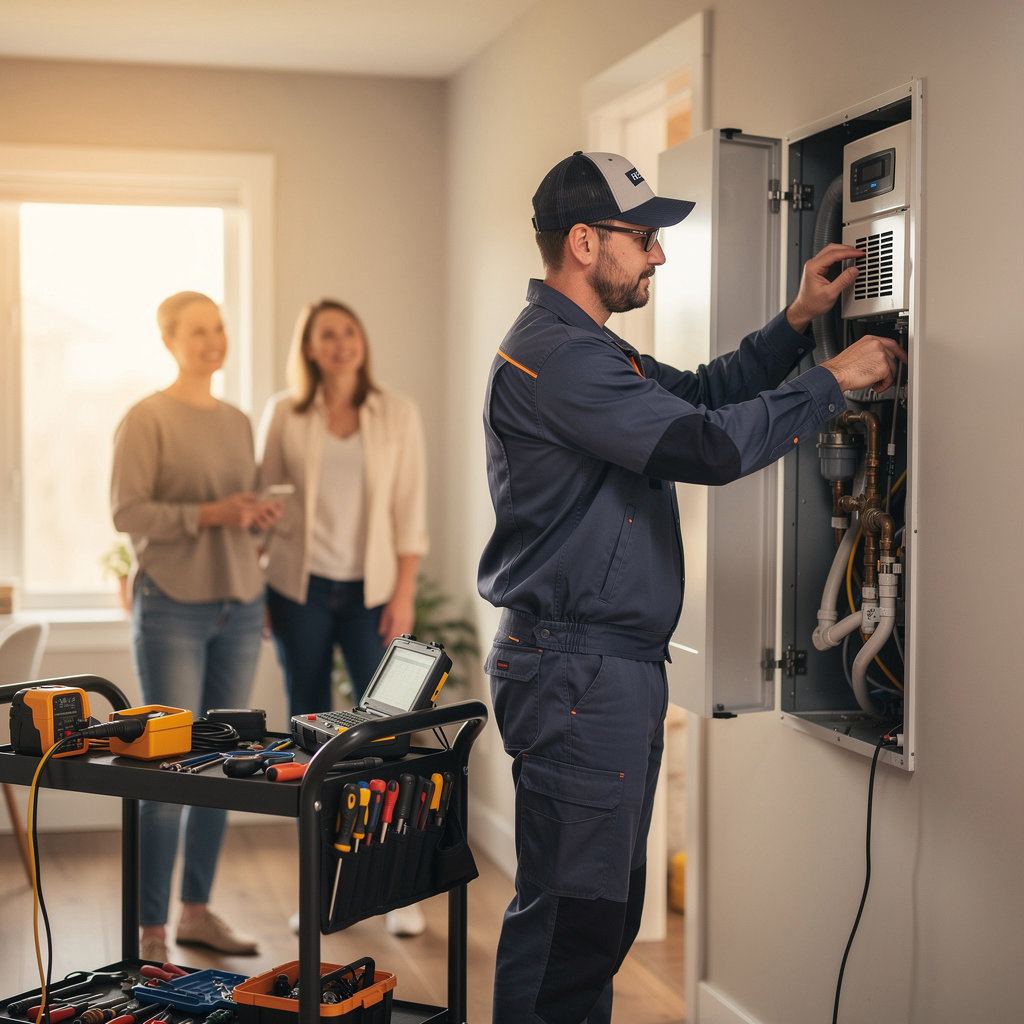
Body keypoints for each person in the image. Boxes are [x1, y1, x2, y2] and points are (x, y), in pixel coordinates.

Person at [477, 151, 907, 1024]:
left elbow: (703, 397)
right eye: (645, 239)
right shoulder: (556, 359)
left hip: (599, 672)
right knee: (570, 927)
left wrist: (796, 323)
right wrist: (833, 378)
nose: (660, 257)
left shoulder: (587, 350)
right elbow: (705, 448)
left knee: (594, 922)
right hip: (576, 673)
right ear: (586, 241)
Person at [111, 291, 284, 963]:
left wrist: (253, 519)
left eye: (219, 328)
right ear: (169, 340)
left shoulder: (240, 422)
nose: (213, 340)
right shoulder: (145, 419)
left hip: (238, 605)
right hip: (172, 606)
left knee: (223, 768)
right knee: (168, 767)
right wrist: (213, 514)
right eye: (198, 331)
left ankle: (197, 914)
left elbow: (238, 510)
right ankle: (151, 931)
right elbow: (128, 511)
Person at [256, 299, 429, 937]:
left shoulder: (396, 414)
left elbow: (409, 510)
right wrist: (256, 585)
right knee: (308, 740)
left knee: (388, 733)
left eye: (348, 332)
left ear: (362, 341)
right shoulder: (284, 414)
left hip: (373, 592)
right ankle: (319, 883)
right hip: (297, 591)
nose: (340, 344)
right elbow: (263, 506)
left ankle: (395, 887)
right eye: (326, 335)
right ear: (309, 348)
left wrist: (404, 593)